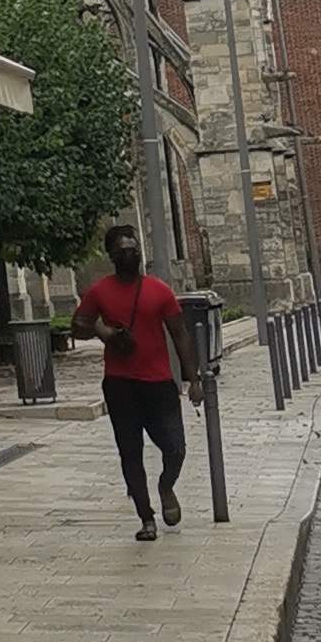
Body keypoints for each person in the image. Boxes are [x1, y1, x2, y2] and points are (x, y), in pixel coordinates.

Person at [74, 220, 202, 542]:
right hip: (120, 384)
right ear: (112, 256)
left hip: (159, 383)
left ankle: (166, 486)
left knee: (175, 447)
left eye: (134, 250)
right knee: (130, 452)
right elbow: (78, 325)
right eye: (123, 251)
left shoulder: (159, 290)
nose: (130, 255)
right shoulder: (99, 291)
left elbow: (180, 334)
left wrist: (194, 379)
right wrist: (103, 331)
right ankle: (146, 518)